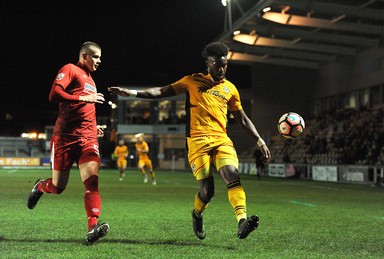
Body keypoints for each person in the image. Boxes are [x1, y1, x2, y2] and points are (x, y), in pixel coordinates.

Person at [109, 42, 271, 240]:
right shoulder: (191, 81)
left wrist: (260, 141)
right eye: (217, 65)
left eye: (225, 65)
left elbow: (243, 119)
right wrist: (132, 93)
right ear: (207, 63)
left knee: (232, 175)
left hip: (221, 140)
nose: (221, 69)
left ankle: (242, 221)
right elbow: (161, 91)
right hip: (197, 142)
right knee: (207, 191)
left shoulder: (230, 89)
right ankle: (197, 214)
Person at [27, 41, 109, 245]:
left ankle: (92, 228)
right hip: (65, 137)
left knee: (92, 183)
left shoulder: (91, 79)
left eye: (100, 57)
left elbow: (86, 110)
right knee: (57, 187)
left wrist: (94, 127)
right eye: (95, 56)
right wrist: (84, 97)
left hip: (87, 138)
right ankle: (40, 187)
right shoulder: (70, 69)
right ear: (84, 55)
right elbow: (54, 94)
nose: (99, 61)